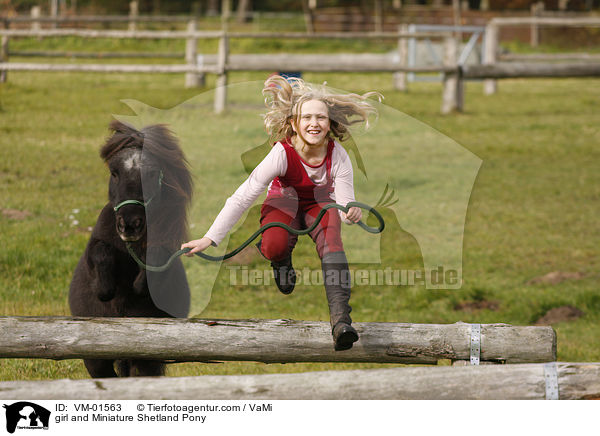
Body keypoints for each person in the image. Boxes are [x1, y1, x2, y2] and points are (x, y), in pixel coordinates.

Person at [182, 75, 379, 351]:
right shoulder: (281, 153)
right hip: (283, 201)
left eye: (321, 118)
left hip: (319, 205)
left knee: (333, 244)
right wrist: (210, 238)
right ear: (294, 124)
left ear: (330, 123)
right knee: (274, 245)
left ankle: (341, 323)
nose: (314, 124)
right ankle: (281, 261)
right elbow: (243, 196)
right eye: (307, 117)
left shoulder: (339, 155)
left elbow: (345, 203)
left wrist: (351, 212)